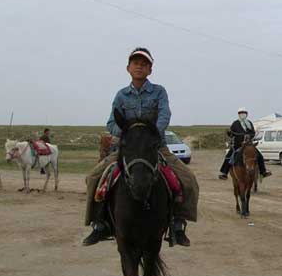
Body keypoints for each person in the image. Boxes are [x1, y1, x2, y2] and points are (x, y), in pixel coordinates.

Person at [82, 47, 199, 247]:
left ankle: (178, 223)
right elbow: (111, 123)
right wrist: (129, 133)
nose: (139, 67)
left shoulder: (159, 92)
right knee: (93, 177)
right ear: (128, 68)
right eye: (136, 63)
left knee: (188, 180)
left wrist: (149, 134)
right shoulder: (121, 96)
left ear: (150, 70)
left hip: (156, 147)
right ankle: (99, 224)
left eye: (144, 64)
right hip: (127, 149)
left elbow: (164, 115)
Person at [218, 107, 270, 180]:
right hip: (238, 145)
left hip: (249, 145)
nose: (242, 115)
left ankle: (263, 171)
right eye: (241, 113)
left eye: (244, 113)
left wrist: (250, 135)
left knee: (259, 155)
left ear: (246, 114)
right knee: (229, 156)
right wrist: (229, 133)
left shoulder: (249, 123)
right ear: (238, 114)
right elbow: (232, 134)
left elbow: (253, 133)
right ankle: (224, 173)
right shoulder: (235, 123)